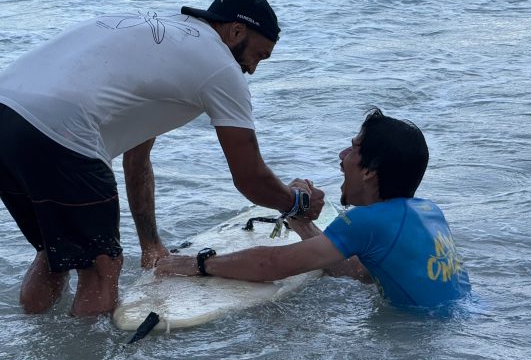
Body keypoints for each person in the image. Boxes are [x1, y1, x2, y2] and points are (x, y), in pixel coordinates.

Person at [0, 0, 321, 317]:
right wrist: (297, 203)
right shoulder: (220, 67)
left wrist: (150, 243)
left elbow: (136, 158)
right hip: (62, 131)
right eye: (259, 55)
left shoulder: (164, 37)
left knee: (54, 253)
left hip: (6, 113)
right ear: (236, 30)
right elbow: (250, 178)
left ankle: (33, 343)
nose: (253, 69)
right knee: (101, 268)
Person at [156, 108, 471, 308]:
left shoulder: (370, 221)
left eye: (354, 148)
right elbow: (357, 272)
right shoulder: (427, 211)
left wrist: (198, 264)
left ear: (370, 170)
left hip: (424, 336)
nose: (342, 153)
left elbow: (271, 265)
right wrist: (297, 218)